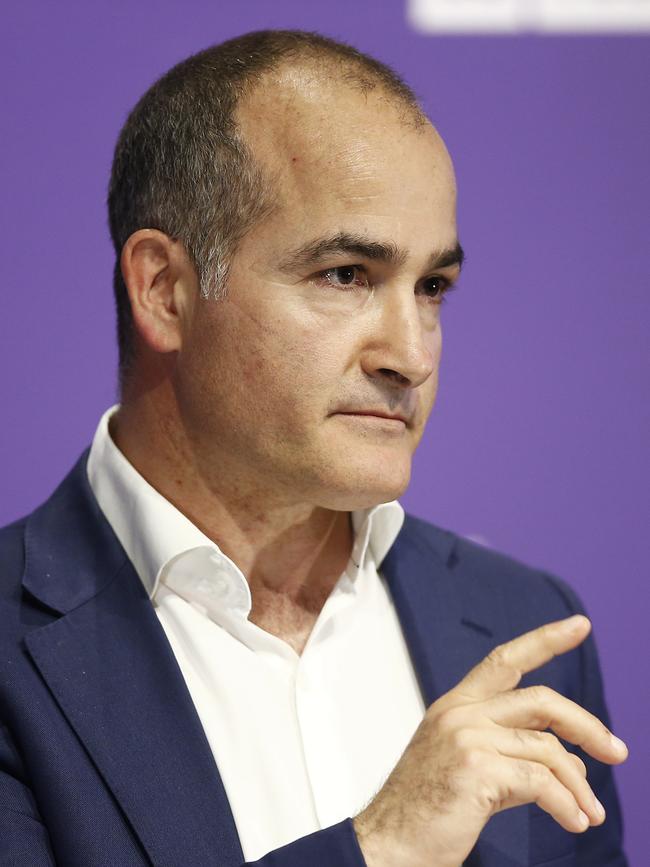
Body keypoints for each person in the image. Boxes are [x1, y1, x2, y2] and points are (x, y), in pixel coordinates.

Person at [0, 29, 628, 867]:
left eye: (432, 286)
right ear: (165, 291)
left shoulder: (521, 625)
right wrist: (382, 846)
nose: (411, 353)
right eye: (346, 274)